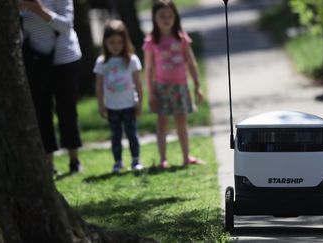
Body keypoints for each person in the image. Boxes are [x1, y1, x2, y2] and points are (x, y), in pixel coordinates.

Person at [19, 0, 83, 175]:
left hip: (65, 59)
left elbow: (66, 25)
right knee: (41, 111)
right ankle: (49, 163)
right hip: (36, 61)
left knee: (67, 110)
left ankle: (74, 160)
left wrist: (40, 11)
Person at [143, 0, 205, 169]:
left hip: (181, 87)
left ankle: (186, 156)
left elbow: (191, 63)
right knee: (162, 123)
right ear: (154, 18)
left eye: (170, 15)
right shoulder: (151, 41)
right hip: (162, 88)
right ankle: (163, 159)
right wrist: (151, 92)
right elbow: (149, 69)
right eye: (162, 16)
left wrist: (198, 85)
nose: (166, 19)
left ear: (175, 17)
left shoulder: (181, 37)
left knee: (181, 122)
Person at [93, 20, 144, 173]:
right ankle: (118, 162)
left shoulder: (132, 60)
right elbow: (99, 86)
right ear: (105, 42)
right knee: (116, 136)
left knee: (131, 134)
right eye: (111, 42)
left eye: (119, 42)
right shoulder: (102, 62)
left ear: (125, 42)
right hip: (112, 107)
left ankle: (136, 160)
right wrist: (101, 104)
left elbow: (138, 83)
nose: (115, 45)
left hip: (129, 105)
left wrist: (140, 102)